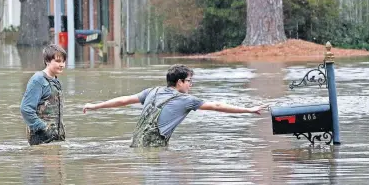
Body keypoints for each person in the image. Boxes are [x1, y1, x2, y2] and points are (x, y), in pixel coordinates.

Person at [83, 64, 265, 147]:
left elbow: (122, 100)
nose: (191, 85)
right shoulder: (186, 100)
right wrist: (249, 110)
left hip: (136, 145)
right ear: (179, 82)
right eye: (189, 81)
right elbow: (217, 106)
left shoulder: (151, 91)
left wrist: (95, 106)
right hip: (155, 148)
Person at [20, 44, 67, 146]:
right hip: (41, 140)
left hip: (56, 139)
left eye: (63, 61)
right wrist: (44, 127)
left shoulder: (56, 81)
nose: (62, 65)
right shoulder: (38, 80)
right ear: (47, 61)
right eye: (58, 61)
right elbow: (26, 109)